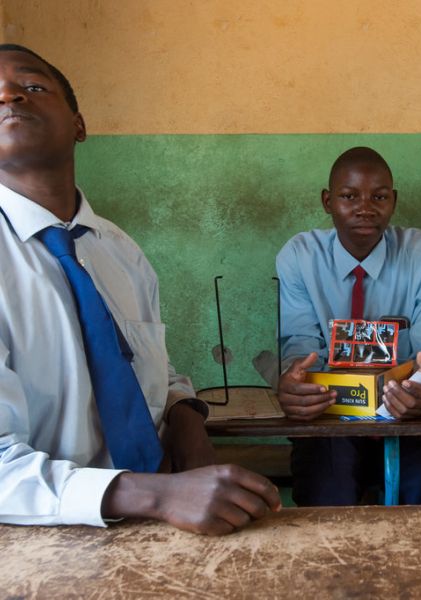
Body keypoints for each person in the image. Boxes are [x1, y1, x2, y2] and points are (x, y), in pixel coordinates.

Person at [0, 44, 280, 534]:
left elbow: (154, 369)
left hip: (158, 519)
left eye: (32, 86)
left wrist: (187, 418)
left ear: (79, 126)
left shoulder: (119, 250)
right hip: (42, 539)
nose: (9, 96)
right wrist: (155, 494)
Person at [276, 146, 421, 506]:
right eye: (349, 196)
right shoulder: (300, 256)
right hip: (329, 416)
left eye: (379, 196)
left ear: (393, 201)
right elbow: (301, 348)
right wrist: (294, 382)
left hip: (409, 417)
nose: (365, 207)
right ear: (327, 201)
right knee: (326, 502)